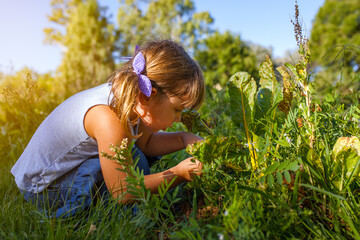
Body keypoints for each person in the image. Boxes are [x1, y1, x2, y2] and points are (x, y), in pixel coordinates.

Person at [11, 39, 204, 218]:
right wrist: (179, 174)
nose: (178, 119)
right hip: (42, 189)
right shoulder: (107, 117)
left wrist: (184, 139)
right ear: (148, 96)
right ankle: (77, 214)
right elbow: (122, 191)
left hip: (57, 177)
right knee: (133, 173)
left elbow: (146, 143)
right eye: (176, 110)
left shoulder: (131, 102)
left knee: (137, 156)